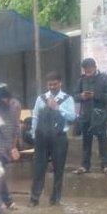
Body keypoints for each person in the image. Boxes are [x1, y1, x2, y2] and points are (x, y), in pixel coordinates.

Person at [30, 71, 76, 206]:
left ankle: (55, 199)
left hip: (59, 138)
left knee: (59, 169)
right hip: (41, 138)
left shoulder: (67, 99)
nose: (52, 87)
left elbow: (72, 117)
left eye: (55, 84)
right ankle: (34, 199)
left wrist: (58, 108)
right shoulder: (41, 98)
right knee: (39, 168)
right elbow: (35, 117)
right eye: (50, 85)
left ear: (60, 83)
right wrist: (34, 135)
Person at [74, 58, 107, 175]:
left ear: (94, 67)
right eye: (85, 70)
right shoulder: (81, 80)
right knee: (86, 141)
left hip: (100, 115)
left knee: (102, 140)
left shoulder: (104, 78)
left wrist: (95, 95)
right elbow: (75, 95)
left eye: (89, 69)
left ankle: (105, 166)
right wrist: (81, 96)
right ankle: (85, 165)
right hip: (86, 115)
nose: (87, 72)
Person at [0, 94, 21, 209]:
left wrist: (14, 146)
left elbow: (16, 126)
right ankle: (6, 200)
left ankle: (3, 200)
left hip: (7, 143)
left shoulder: (15, 105)